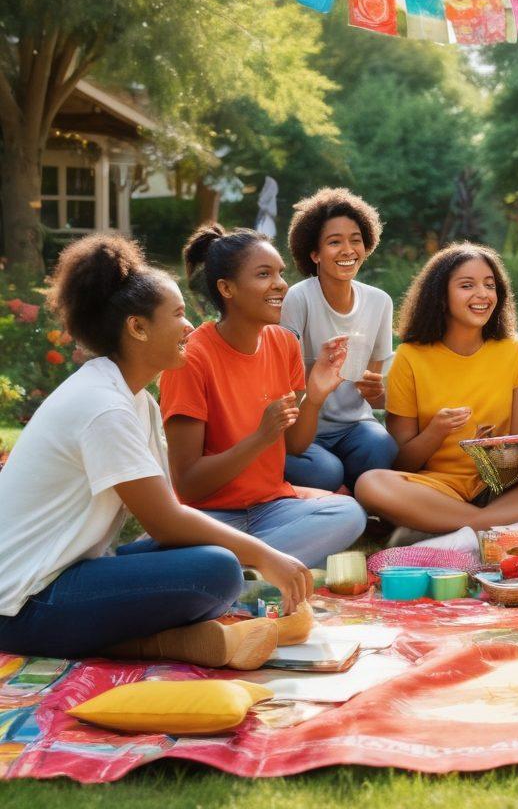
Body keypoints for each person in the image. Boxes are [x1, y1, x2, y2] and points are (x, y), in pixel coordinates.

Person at [0, 236, 311, 667]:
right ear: (138, 327)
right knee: (215, 571)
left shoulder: (134, 399)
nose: (190, 327)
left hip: (73, 573)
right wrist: (264, 554)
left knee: (206, 559)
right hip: (23, 605)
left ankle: (157, 638)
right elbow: (166, 521)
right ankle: (151, 643)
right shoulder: (102, 405)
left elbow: (169, 513)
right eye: (179, 315)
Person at [354, 243, 518, 536]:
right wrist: (436, 431)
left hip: (504, 490)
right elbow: (403, 461)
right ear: (441, 296)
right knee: (370, 483)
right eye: (467, 285)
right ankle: (497, 527)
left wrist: (496, 454)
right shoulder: (409, 357)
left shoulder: (514, 351)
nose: (482, 294)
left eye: (489, 285)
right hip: (440, 490)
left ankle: (464, 529)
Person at [159, 225, 366, 568]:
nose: (281, 285)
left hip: (271, 507)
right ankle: (240, 565)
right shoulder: (191, 359)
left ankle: (230, 567)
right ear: (226, 288)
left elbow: (296, 446)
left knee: (349, 513)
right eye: (263, 274)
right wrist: (260, 438)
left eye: (280, 274)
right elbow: (189, 485)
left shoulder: (283, 343)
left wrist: (314, 396)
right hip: (211, 516)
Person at [281, 187, 398, 493]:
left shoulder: (379, 302)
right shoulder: (299, 298)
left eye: (355, 239)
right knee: (325, 471)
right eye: (335, 242)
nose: (348, 250)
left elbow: (374, 395)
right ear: (314, 253)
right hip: (304, 430)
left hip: (355, 427)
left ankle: (347, 493)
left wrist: (376, 391)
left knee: (383, 447)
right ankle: (347, 490)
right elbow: (282, 382)